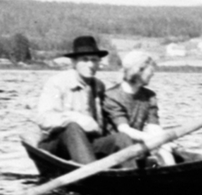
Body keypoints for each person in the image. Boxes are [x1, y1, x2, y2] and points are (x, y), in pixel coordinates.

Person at [34, 35, 135, 164]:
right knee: (72, 128)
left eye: (94, 60)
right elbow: (43, 119)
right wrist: (77, 118)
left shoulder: (99, 86)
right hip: (56, 145)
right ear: (74, 62)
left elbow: (105, 123)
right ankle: (92, 177)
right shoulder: (57, 82)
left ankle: (131, 175)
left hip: (86, 144)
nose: (91, 65)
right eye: (85, 60)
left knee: (121, 138)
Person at [103, 50, 175, 166]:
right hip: (115, 151)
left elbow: (154, 127)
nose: (153, 74)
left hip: (138, 145)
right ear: (139, 70)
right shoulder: (111, 96)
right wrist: (153, 140)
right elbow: (124, 129)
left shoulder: (149, 96)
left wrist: (163, 140)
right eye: (150, 70)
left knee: (165, 152)